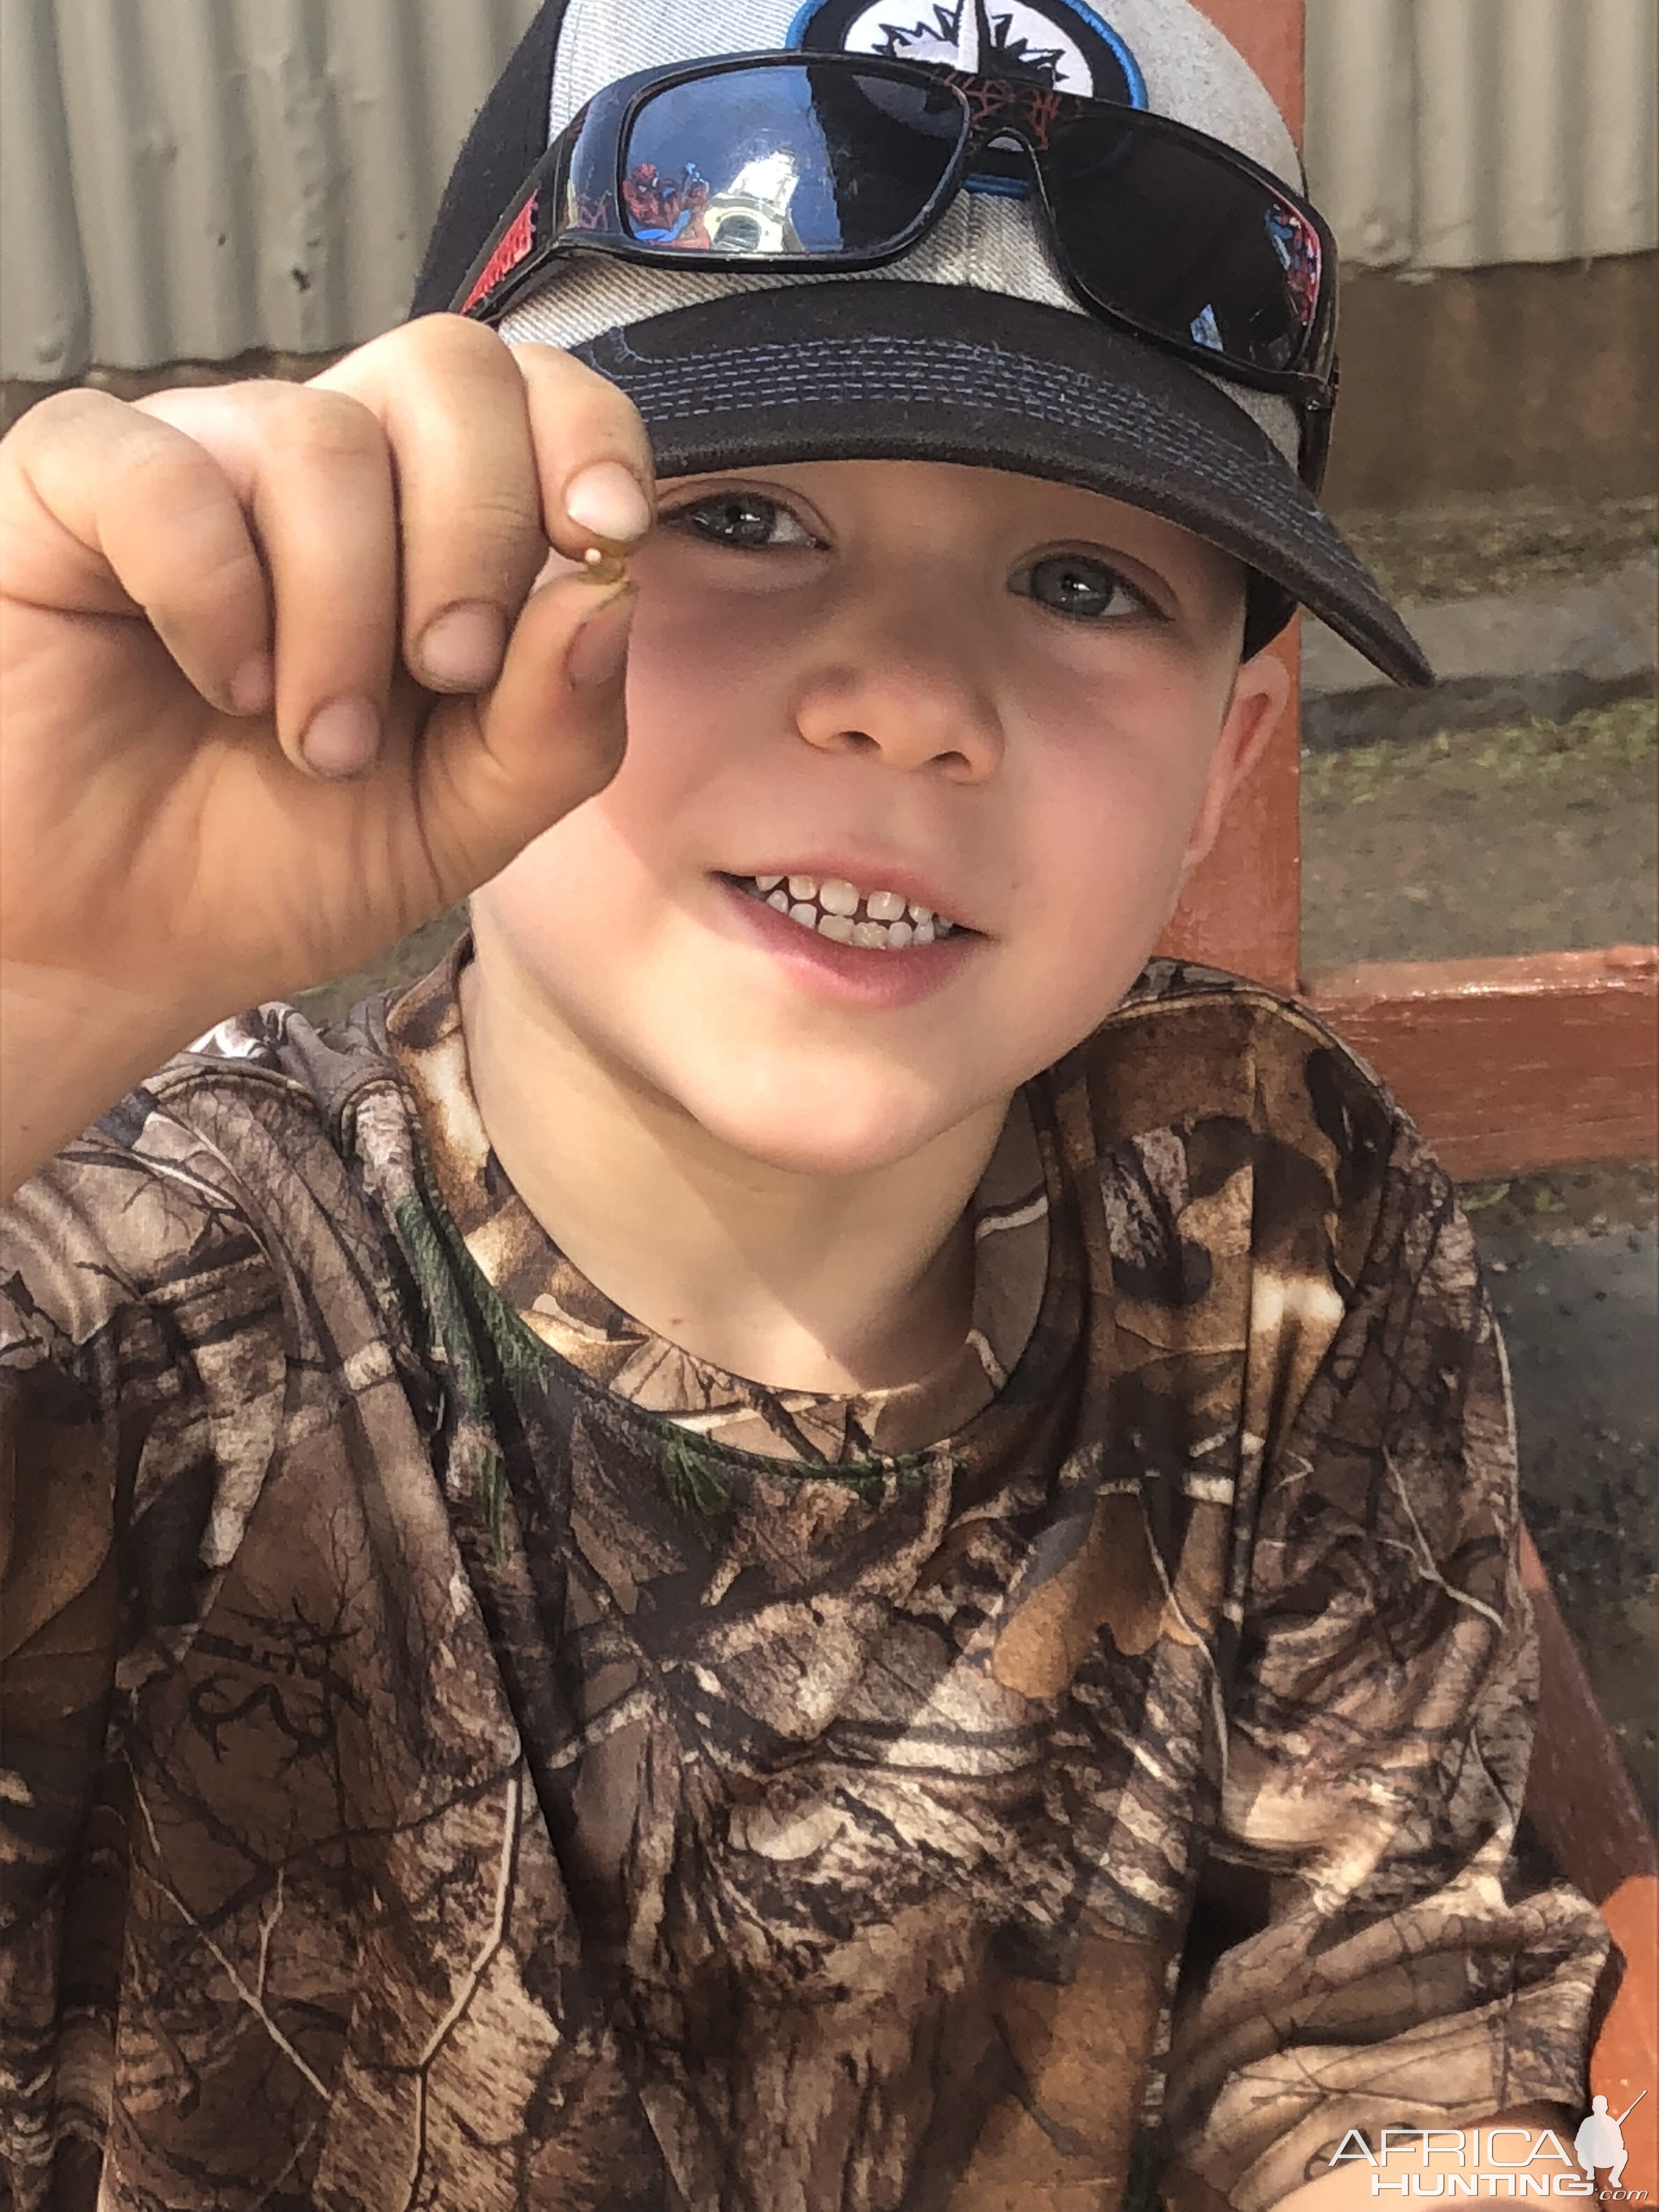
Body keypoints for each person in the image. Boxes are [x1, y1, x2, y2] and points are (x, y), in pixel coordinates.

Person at [0, 1, 1611, 2207]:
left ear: (1225, 767)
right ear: (442, 581)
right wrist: (33, 992)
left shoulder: (1267, 1206)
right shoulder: (135, 1297)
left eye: (1081, 582)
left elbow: (1373, 2015)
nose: (909, 700)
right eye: (740, 514)